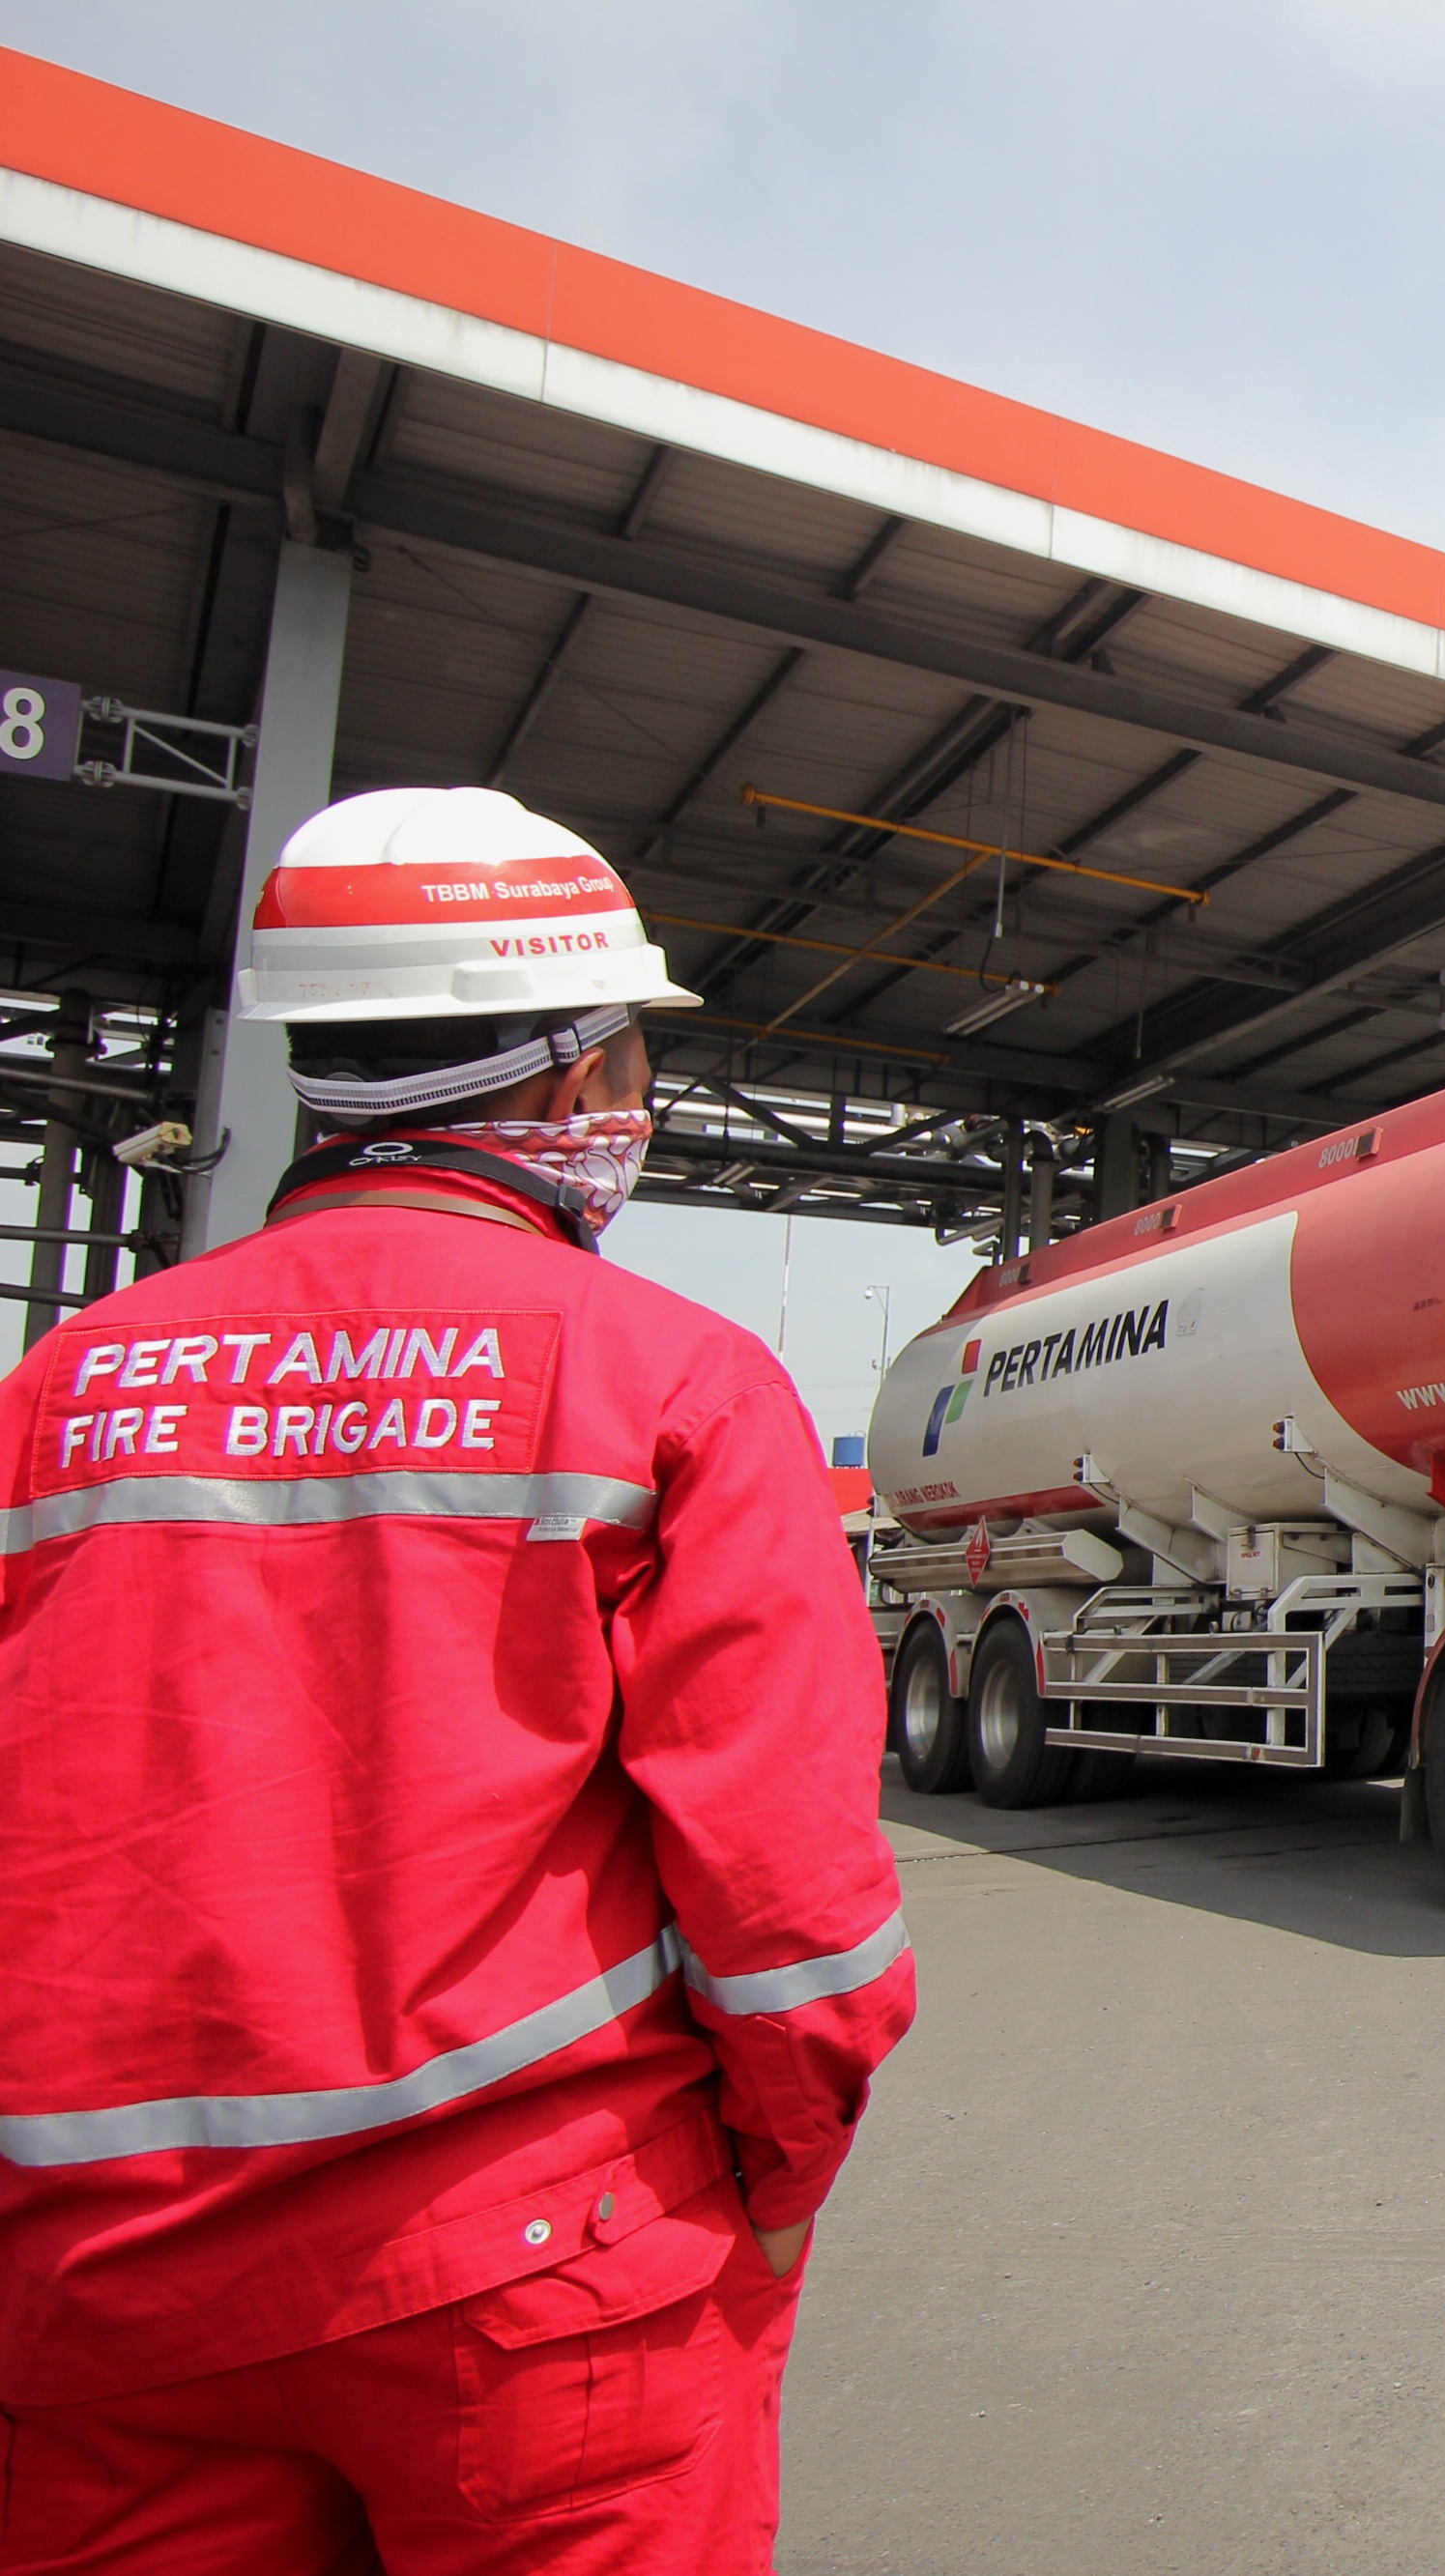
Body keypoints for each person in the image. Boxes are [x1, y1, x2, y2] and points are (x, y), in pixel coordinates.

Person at [0, 788, 913, 2572]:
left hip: (104, 2289)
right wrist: (779, 2187)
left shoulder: (63, 1388)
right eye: (635, 1058)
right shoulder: (672, 1380)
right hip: (540, 2270)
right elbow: (794, 1914)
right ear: (575, 1081)